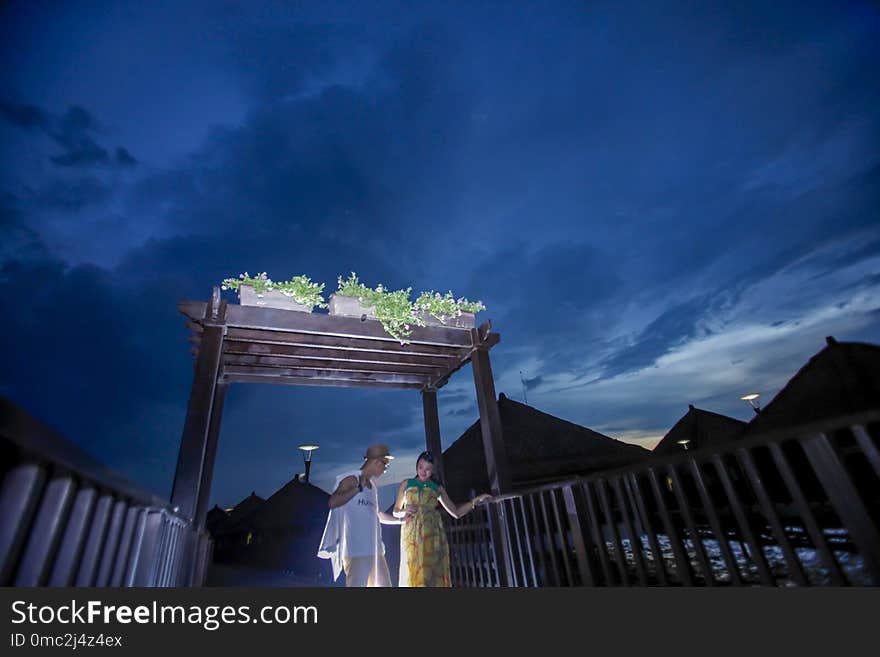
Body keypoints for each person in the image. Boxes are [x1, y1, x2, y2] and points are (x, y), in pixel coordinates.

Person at [393, 450, 492, 587]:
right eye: (421, 467)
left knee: (431, 572)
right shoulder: (406, 484)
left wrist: (475, 501)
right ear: (417, 466)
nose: (423, 471)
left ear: (433, 471)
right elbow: (395, 512)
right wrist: (403, 511)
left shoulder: (437, 488)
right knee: (412, 569)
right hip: (412, 535)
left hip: (432, 534)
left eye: (428, 469)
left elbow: (455, 512)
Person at [317, 443, 402, 587]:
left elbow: (377, 515)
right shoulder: (351, 479)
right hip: (356, 551)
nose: (386, 469)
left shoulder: (373, 487)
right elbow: (333, 502)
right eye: (385, 465)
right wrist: (358, 488)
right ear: (375, 461)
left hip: (376, 551)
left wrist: (401, 520)